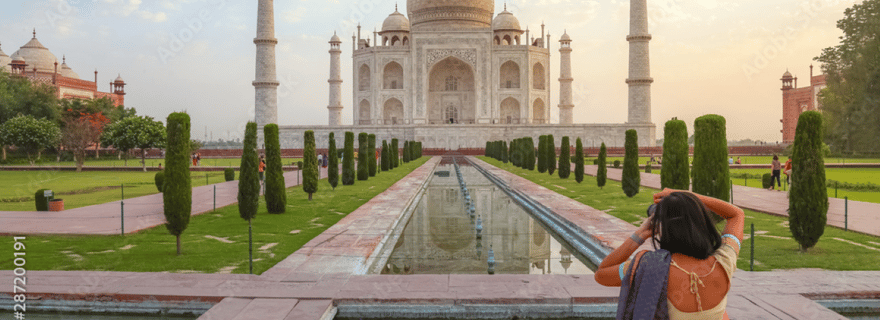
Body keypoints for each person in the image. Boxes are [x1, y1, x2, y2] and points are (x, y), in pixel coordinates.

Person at [595, 189, 744, 319]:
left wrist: (640, 234)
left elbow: (601, 273)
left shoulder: (647, 266)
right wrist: (686, 195)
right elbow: (736, 214)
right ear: (701, 221)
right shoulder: (724, 259)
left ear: (661, 227)